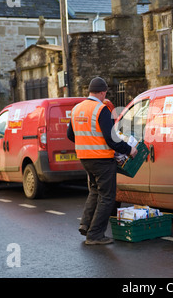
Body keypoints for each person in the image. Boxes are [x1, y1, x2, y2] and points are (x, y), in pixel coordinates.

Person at [67, 77, 137, 245]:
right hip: (102, 160)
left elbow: (70, 135)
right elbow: (111, 139)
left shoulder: (77, 108)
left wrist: (87, 143)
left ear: (90, 91)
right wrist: (129, 150)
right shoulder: (101, 109)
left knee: (94, 192)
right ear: (103, 92)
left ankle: (86, 224)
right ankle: (95, 235)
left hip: (85, 159)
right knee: (107, 197)